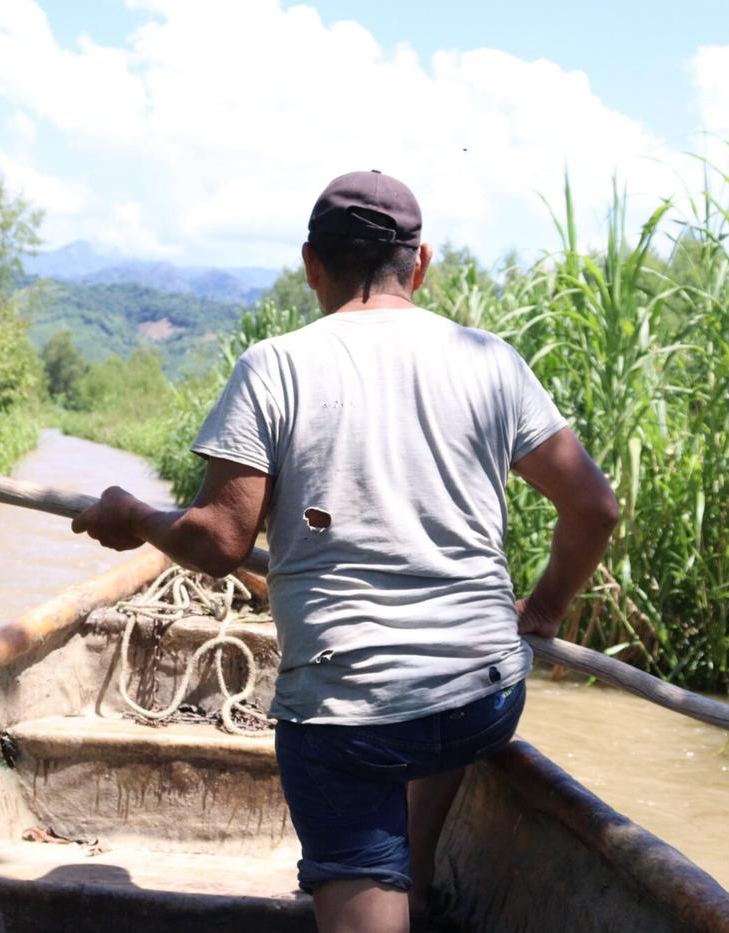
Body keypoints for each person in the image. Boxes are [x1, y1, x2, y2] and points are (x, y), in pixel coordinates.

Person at [71, 170, 619, 933]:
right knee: (436, 696)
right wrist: (545, 609)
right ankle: (411, 879)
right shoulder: (491, 359)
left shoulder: (276, 365)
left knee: (369, 734)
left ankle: (384, 889)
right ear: (419, 263)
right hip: (485, 698)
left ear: (311, 264)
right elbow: (595, 508)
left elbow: (219, 541)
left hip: (350, 720)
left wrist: (135, 516)